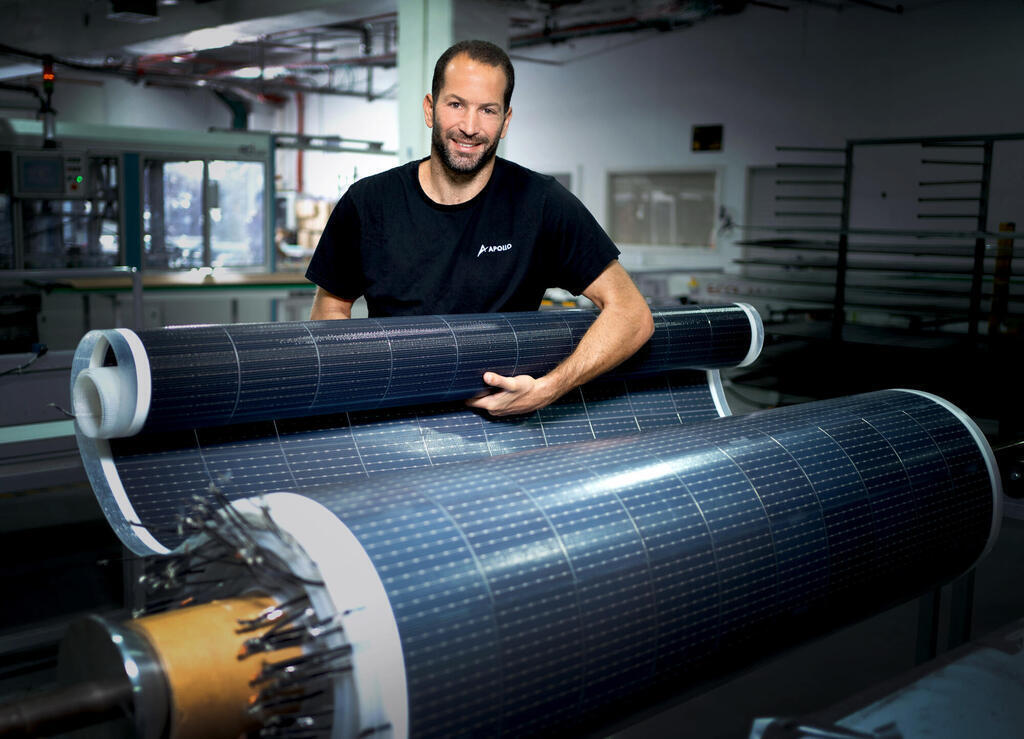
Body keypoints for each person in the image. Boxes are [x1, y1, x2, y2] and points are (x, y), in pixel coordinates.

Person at [306, 39, 653, 416]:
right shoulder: (368, 202)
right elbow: (330, 311)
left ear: (505, 121)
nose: (470, 127)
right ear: (430, 109)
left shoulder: (541, 203)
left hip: (500, 425)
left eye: (488, 110)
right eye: (456, 104)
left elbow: (631, 314)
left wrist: (549, 388)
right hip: (391, 418)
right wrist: (361, 389)